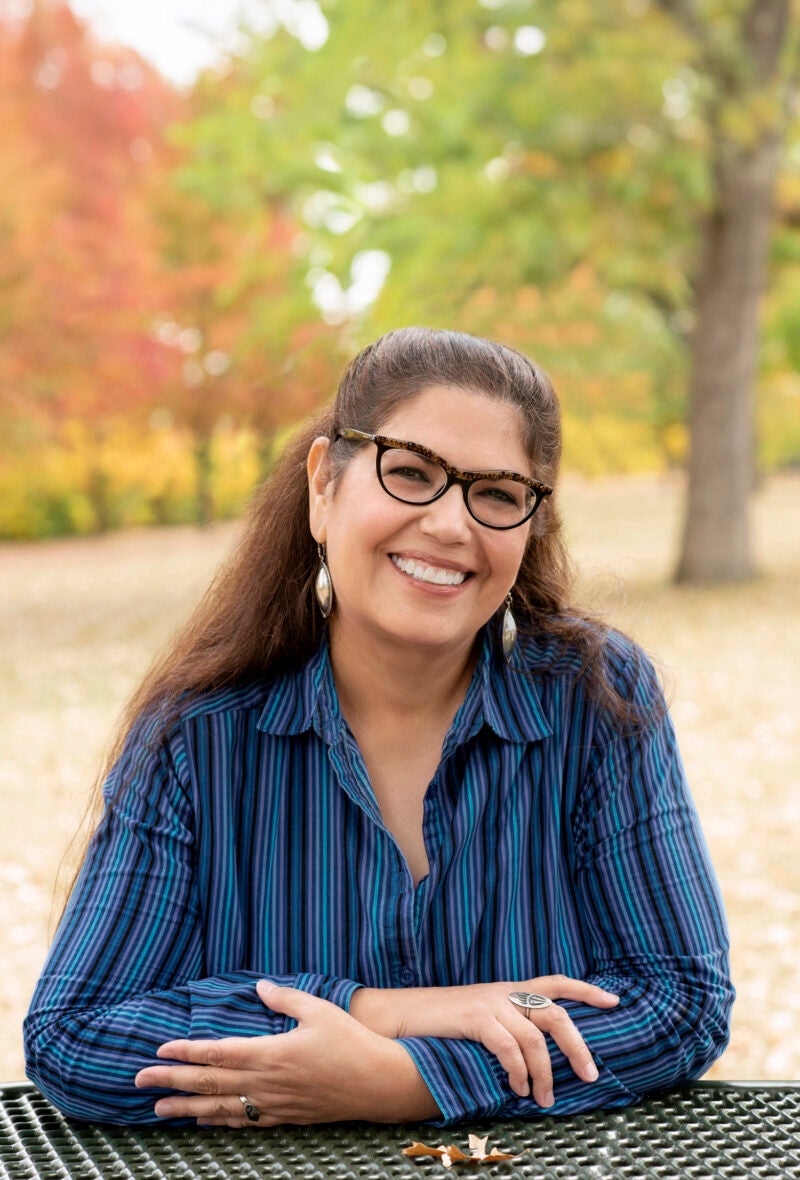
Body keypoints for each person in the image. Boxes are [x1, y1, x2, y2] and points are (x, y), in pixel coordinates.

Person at [24, 328, 733, 1128]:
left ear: (532, 525)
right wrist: (389, 1011)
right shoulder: (197, 737)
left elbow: (681, 999)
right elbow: (77, 1036)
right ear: (325, 484)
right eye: (411, 473)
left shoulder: (595, 699)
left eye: (498, 493)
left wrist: (410, 1079)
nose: (449, 524)